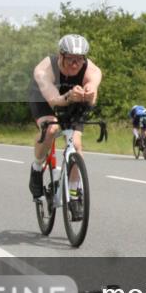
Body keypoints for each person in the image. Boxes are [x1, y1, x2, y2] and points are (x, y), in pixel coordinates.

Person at [28, 35, 103, 217]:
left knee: (76, 145)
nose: (75, 64)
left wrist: (89, 93)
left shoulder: (92, 70)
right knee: (51, 129)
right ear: (60, 55)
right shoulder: (44, 70)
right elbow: (54, 100)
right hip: (46, 97)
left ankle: (75, 193)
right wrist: (69, 96)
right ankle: (37, 167)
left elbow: (93, 92)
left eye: (79, 60)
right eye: (70, 59)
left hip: (73, 98)